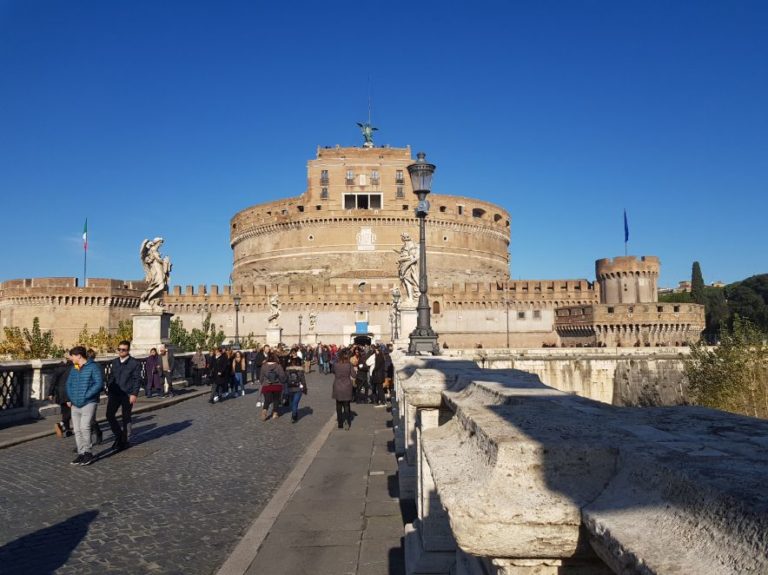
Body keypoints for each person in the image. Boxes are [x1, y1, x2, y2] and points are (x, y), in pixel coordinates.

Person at [65, 346, 104, 465]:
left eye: (72, 356)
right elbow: (68, 384)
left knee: (85, 427)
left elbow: (99, 383)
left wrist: (87, 395)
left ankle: (88, 453)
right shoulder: (74, 368)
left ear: (79, 356)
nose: (71, 358)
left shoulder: (93, 367)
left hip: (89, 402)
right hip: (75, 403)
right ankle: (81, 453)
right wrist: (70, 397)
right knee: (76, 429)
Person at [105, 340, 141, 452]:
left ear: (128, 350)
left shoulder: (134, 363)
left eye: (123, 350)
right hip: (115, 393)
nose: (121, 351)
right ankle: (119, 436)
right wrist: (109, 387)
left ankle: (124, 440)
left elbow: (137, 379)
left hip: (127, 394)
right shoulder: (115, 361)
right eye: (119, 349)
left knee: (126, 417)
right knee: (109, 415)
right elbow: (111, 376)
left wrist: (134, 394)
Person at [49, 354, 73, 437]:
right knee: (72, 411)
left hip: (60, 392)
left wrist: (50, 393)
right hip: (69, 392)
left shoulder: (58, 367)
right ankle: (60, 424)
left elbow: (53, 381)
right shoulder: (74, 367)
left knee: (65, 411)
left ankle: (67, 429)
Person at [332, 349, 355, 430]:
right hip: (347, 386)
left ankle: (340, 423)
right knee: (346, 405)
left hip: (337, 385)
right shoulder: (349, 365)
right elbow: (354, 375)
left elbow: (333, 372)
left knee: (338, 405)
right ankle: (347, 422)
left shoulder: (336, 364)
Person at [259, 351, 286, 421]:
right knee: (276, 399)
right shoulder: (278, 365)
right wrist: (283, 381)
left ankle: (264, 411)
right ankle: (275, 413)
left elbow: (261, 377)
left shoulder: (264, 366)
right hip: (277, 385)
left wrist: (263, 383)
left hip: (266, 385)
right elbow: (282, 376)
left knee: (267, 399)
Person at [285, 352, 307, 423]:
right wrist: (305, 389)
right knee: (295, 403)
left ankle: (294, 413)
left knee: (292, 403)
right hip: (298, 388)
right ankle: (294, 415)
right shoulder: (300, 370)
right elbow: (303, 380)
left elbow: (285, 379)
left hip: (290, 388)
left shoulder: (287, 370)